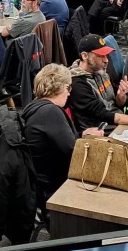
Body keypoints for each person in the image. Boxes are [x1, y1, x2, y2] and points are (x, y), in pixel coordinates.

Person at [21, 64, 105, 201]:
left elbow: (58, 142)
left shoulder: (35, 106)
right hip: (52, 186)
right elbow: (74, 152)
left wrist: (83, 135)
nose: (69, 93)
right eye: (68, 88)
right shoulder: (51, 112)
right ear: (59, 87)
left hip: (39, 181)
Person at [68, 34, 128, 134]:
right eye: (100, 56)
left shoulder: (100, 71)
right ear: (85, 56)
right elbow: (103, 114)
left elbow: (117, 104)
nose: (106, 60)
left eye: (106, 55)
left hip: (116, 119)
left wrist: (121, 95)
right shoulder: (77, 84)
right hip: (101, 130)